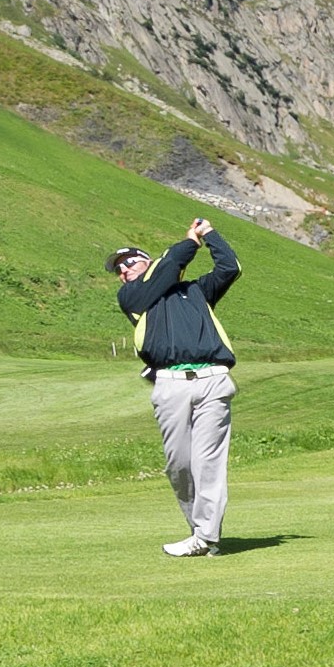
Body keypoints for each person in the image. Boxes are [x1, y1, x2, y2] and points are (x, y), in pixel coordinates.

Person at [115, 218, 239, 556]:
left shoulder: (198, 292)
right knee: (179, 465)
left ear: (147, 262)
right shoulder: (134, 297)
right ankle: (199, 529)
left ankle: (207, 537)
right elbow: (169, 266)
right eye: (119, 269)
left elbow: (230, 267)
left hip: (213, 381)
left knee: (207, 462)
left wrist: (209, 234)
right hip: (170, 385)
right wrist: (190, 242)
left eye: (129, 262)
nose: (123, 271)